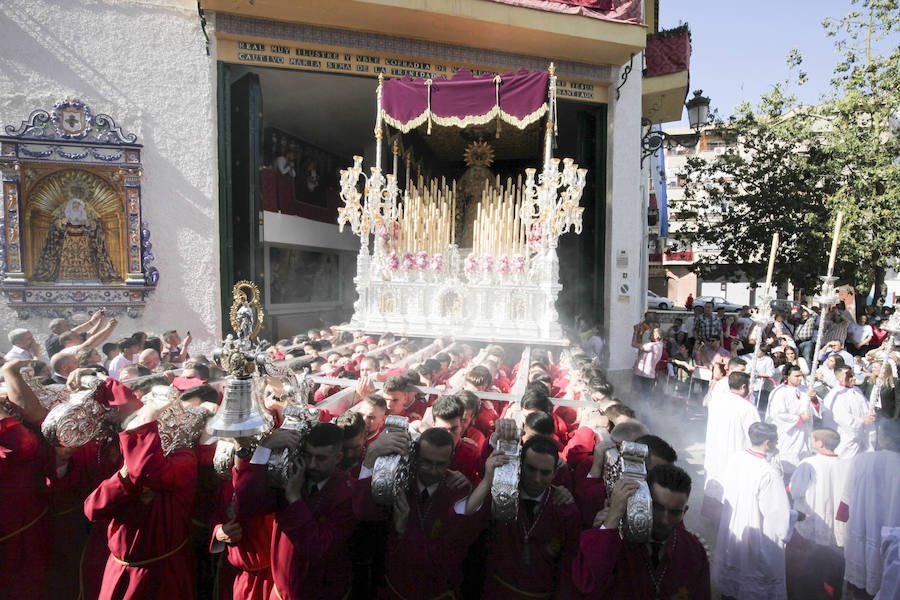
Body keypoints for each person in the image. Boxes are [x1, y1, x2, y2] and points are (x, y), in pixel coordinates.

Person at [84, 396, 199, 600]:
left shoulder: (185, 458)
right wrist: (123, 476)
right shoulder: (126, 467)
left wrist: (149, 415)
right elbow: (93, 510)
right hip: (121, 569)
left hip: (163, 572)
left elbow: (147, 471)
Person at [354, 427, 481, 600]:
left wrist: (406, 529)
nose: (433, 470)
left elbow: (447, 557)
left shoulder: (460, 492)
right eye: (426, 462)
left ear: (451, 459)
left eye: (440, 464)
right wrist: (370, 459)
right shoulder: (399, 481)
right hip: (394, 587)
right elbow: (363, 512)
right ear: (416, 456)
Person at [234, 423, 356, 600]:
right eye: (308, 455)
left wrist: (294, 498)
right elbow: (246, 504)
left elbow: (317, 549)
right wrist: (264, 449)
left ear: (338, 458)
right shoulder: (294, 474)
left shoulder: (347, 493)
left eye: (321, 458)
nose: (312, 465)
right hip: (279, 593)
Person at [572, 464, 711, 600]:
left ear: (684, 511)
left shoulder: (694, 551)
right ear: (644, 500)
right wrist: (612, 518)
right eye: (657, 508)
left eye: (675, 512)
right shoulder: (614, 539)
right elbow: (586, 584)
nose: (665, 520)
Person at [469, 435, 582, 599]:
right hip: (496, 591)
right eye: (531, 469)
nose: (536, 479)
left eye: (544, 472)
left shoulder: (566, 511)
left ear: (555, 472)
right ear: (520, 465)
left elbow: (568, 565)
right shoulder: (500, 496)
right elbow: (470, 523)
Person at [712, 422, 793, 600]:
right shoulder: (770, 473)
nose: (777, 444)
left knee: (733, 575)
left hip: (733, 523)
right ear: (767, 443)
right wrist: (794, 517)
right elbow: (777, 516)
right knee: (752, 579)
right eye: (775, 441)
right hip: (755, 532)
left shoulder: (736, 458)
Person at [837, 417, 900, 598]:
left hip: (862, 531)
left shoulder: (862, 460)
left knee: (859, 590)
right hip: (892, 539)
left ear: (887, 437)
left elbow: (845, 501)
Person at [787, 427, 852, 600]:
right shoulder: (848, 464)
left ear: (820, 443)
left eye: (813, 439)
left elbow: (795, 491)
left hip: (812, 524)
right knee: (834, 570)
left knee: (809, 571)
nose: (811, 441)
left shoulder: (809, 463)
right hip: (837, 529)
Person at [702, 371, 760, 521]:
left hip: (715, 448)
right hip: (734, 451)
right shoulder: (747, 408)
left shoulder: (716, 401)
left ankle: (711, 516)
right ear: (743, 387)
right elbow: (755, 432)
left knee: (715, 480)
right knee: (729, 486)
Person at [32, 197, 120, 282]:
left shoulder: (85, 213)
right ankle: (65, 277)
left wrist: (88, 223)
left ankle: (88, 278)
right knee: (68, 259)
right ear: (71, 205)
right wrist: (62, 222)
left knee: (85, 259)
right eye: (74, 204)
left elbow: (94, 226)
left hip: (83, 240)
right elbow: (57, 225)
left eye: (77, 204)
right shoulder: (65, 213)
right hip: (69, 241)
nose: (76, 206)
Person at [765, 365, 816, 480]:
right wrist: (799, 419)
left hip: (803, 433)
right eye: (796, 376)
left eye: (801, 376)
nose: (799, 379)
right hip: (787, 433)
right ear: (786, 377)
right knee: (787, 463)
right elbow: (777, 414)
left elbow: (816, 408)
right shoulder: (779, 392)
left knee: (802, 463)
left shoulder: (804, 389)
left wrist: (814, 399)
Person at [821, 365, 875, 458]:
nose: (854, 378)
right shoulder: (835, 395)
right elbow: (841, 417)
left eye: (853, 375)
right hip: (846, 438)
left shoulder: (856, 390)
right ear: (840, 378)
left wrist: (871, 413)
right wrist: (862, 421)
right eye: (850, 376)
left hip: (862, 436)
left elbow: (866, 406)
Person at [631, 325, 663, 397]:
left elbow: (634, 344)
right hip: (644, 375)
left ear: (657, 337)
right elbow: (640, 344)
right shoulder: (657, 345)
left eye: (652, 333)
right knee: (642, 397)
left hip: (644, 375)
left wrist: (635, 332)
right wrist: (639, 333)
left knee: (641, 397)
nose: (650, 334)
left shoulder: (654, 346)